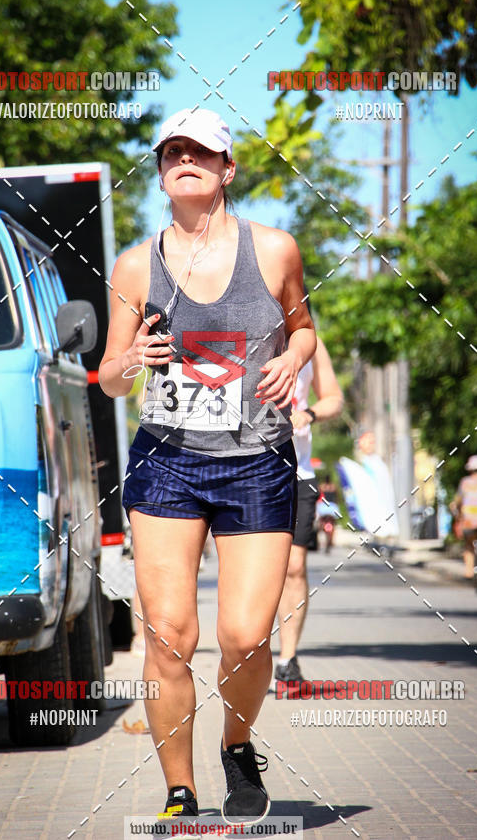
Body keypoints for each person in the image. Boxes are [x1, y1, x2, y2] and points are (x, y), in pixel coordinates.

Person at [98, 108, 316, 825]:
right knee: (170, 635)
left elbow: (305, 326)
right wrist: (129, 362)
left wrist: (290, 356)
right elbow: (110, 377)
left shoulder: (276, 250)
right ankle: (180, 792)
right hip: (167, 463)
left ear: (227, 169)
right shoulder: (137, 264)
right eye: (172, 152)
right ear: (161, 172)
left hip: (256, 460)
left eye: (201, 152)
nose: (184, 160)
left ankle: (237, 744)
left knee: (245, 636)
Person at [274, 338, 343, 684]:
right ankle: (249, 651)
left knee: (295, 567)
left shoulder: (312, 345)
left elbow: (334, 398)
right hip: (248, 469)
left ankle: (287, 659)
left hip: (298, 471)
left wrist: (310, 413)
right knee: (259, 570)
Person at [316, 473, 339, 553]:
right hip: (333, 507)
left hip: (323, 506)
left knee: (320, 523)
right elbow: (337, 497)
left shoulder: (322, 486)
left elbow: (318, 496)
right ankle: (331, 541)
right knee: (333, 523)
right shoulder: (333, 486)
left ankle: (318, 540)